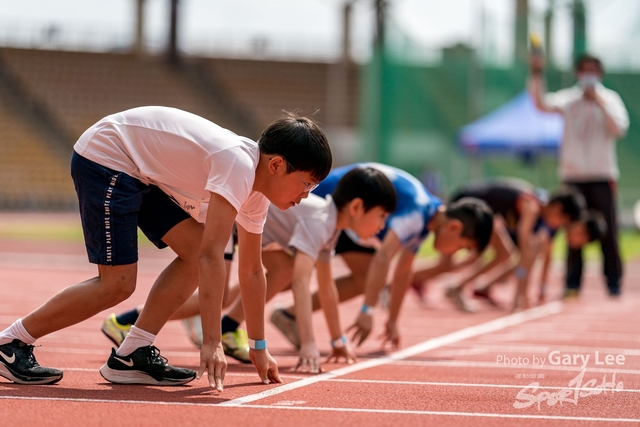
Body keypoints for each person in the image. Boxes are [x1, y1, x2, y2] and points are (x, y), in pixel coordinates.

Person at [0, 106, 332, 391]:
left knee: (193, 249)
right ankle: (11, 343)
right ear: (276, 165)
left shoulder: (257, 193)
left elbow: (251, 269)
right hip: (107, 157)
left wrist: (259, 346)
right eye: (305, 183)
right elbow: (212, 257)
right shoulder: (238, 165)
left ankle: (133, 353)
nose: (306, 195)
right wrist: (212, 342)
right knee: (117, 284)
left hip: (138, 169)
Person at [103, 166, 398, 373]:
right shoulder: (320, 222)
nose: (382, 227)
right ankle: (127, 321)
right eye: (382, 217)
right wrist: (309, 344)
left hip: (252, 227)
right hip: (232, 219)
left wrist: (338, 341)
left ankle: (229, 327)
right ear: (357, 207)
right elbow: (302, 282)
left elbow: (327, 288)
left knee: (281, 268)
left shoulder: (330, 226)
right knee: (215, 294)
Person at [267, 162, 494, 349]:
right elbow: (384, 258)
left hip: (352, 214)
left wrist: (393, 321)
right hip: (330, 205)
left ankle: (281, 315)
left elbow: (403, 271)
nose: (456, 253)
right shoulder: (417, 213)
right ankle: (252, 317)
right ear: (453, 228)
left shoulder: (427, 217)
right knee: (287, 272)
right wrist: (368, 310)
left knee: (288, 272)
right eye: (462, 246)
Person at [529, 53, 629, 298]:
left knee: (609, 232)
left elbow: (619, 128)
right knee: (573, 230)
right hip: (573, 177)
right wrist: (536, 73)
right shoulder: (568, 100)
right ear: (577, 73)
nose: (588, 75)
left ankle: (613, 282)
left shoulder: (610, 99)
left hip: (601, 175)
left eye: (593, 70)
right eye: (584, 70)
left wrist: (599, 102)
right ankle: (572, 283)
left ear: (600, 74)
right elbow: (541, 103)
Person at [413, 179, 585, 313]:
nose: (559, 227)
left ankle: (454, 287)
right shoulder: (531, 207)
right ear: (557, 209)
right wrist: (519, 295)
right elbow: (525, 252)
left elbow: (532, 256)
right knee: (450, 263)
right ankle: (405, 280)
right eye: (562, 221)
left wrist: (529, 290)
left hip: (486, 216)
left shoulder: (540, 214)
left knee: (505, 254)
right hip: (466, 207)